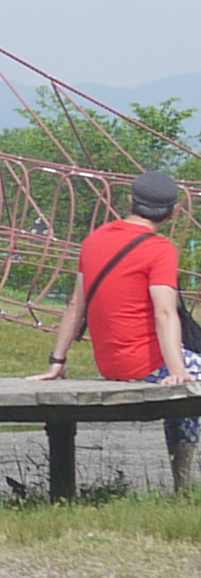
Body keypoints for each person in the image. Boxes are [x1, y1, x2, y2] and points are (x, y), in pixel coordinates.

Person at [29, 170, 197, 493]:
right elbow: (164, 312)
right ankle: (184, 484)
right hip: (146, 365)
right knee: (190, 381)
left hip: (111, 365)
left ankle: (185, 487)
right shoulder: (160, 249)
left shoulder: (95, 240)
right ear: (172, 212)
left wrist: (57, 360)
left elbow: (76, 305)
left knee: (186, 397)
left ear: (130, 202)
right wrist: (177, 370)